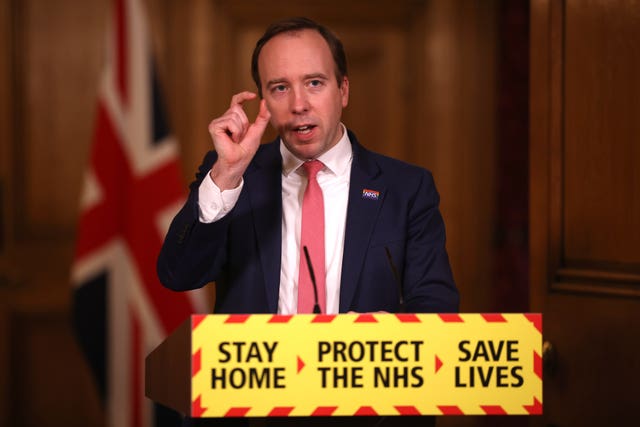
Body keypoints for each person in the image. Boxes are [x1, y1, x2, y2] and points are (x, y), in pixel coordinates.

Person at [158, 17, 458, 427]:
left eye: (314, 83)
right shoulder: (231, 174)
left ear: (344, 90)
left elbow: (436, 311)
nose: (298, 104)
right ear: (262, 100)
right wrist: (226, 178)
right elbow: (177, 274)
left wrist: (387, 336)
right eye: (280, 88)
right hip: (251, 415)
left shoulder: (407, 189)